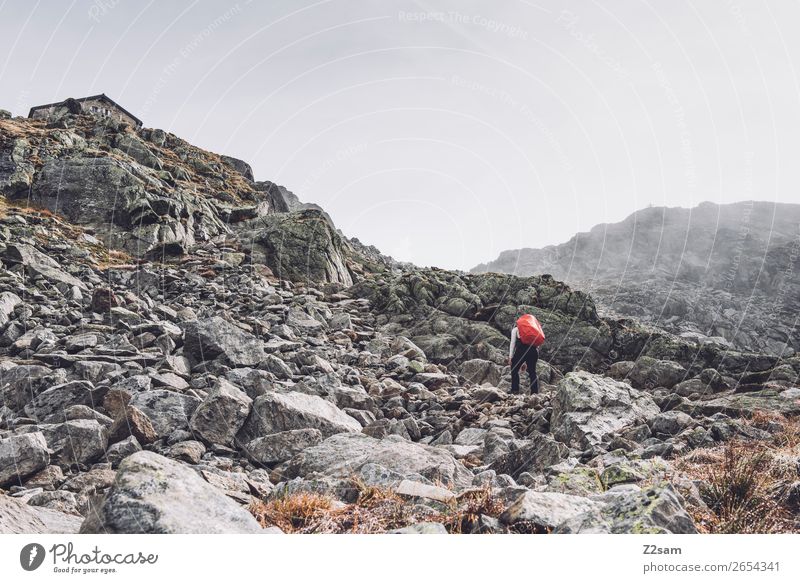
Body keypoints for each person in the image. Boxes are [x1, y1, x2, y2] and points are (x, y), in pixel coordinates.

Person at [508, 322, 539, 394]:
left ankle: (515, 390)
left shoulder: (515, 329)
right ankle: (534, 392)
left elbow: (513, 343)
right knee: (532, 372)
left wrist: (510, 357)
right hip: (533, 351)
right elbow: (537, 344)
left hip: (521, 350)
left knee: (514, 369)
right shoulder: (533, 330)